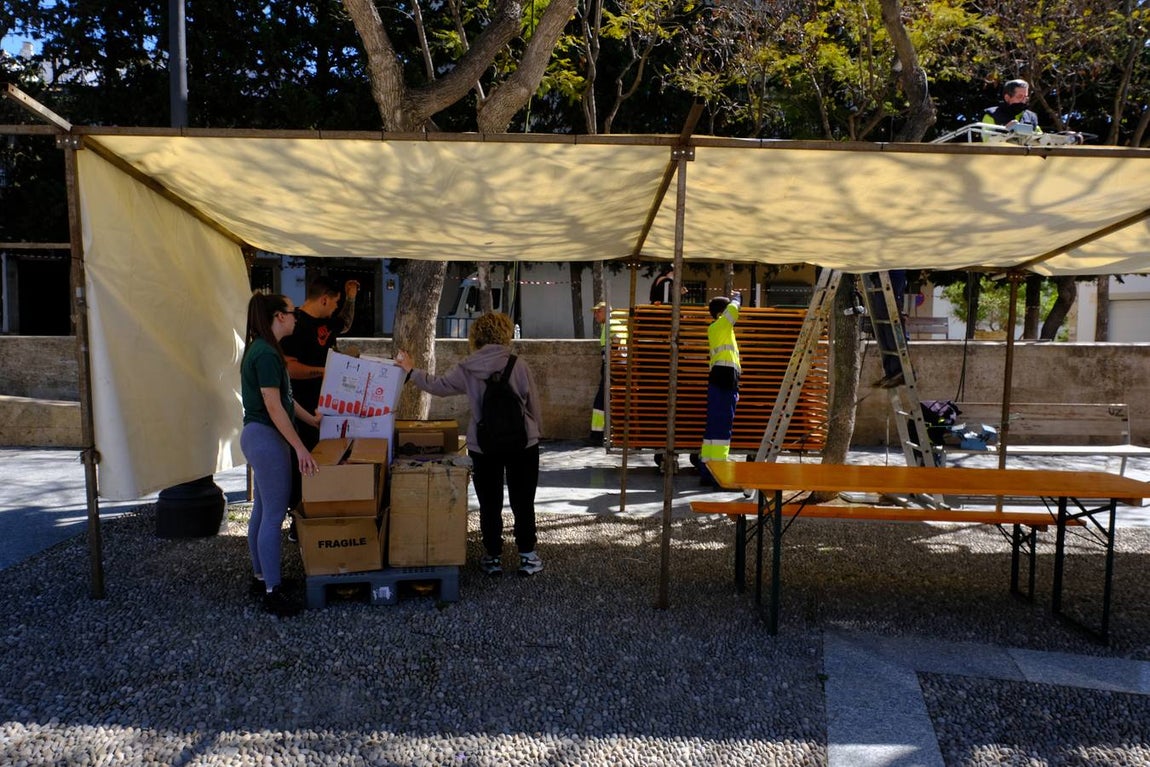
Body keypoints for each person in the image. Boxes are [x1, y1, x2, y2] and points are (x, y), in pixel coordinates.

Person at [394, 312, 544, 578]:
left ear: (476, 336)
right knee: (523, 500)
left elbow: (439, 386)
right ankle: (527, 556)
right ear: (505, 334)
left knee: (490, 502)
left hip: (484, 444)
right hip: (523, 442)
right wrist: (536, 433)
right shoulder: (518, 364)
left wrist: (411, 371)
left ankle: (493, 557)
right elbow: (532, 403)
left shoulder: (467, 367)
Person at [239, 292, 322, 617]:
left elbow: (285, 399)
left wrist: (311, 419)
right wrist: (300, 448)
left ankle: (261, 577)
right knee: (273, 517)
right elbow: (273, 407)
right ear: (279, 316)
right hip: (267, 438)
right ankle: (273, 592)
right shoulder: (267, 354)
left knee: (262, 512)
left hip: (258, 436)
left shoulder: (263, 349)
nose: (296, 317)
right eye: (292, 312)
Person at [281, 276, 358, 539]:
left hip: (326, 408)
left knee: (328, 462)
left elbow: (344, 323)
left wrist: (350, 296)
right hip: (302, 409)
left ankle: (322, 516)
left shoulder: (326, 322)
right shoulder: (296, 325)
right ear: (324, 299)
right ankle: (298, 521)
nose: (336, 309)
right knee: (302, 465)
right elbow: (289, 368)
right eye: (335, 303)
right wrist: (324, 370)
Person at [696, 293, 741, 488]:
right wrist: (737, 298)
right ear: (720, 314)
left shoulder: (718, 329)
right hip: (725, 378)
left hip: (719, 378)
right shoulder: (721, 325)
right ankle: (720, 474)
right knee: (723, 425)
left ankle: (707, 470)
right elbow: (733, 311)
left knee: (713, 427)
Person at [588, 301, 608, 446]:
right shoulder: (605, 326)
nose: (596, 315)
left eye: (598, 311)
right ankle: (597, 435)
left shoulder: (612, 325)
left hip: (612, 370)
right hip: (609, 368)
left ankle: (597, 436)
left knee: (600, 403)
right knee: (601, 402)